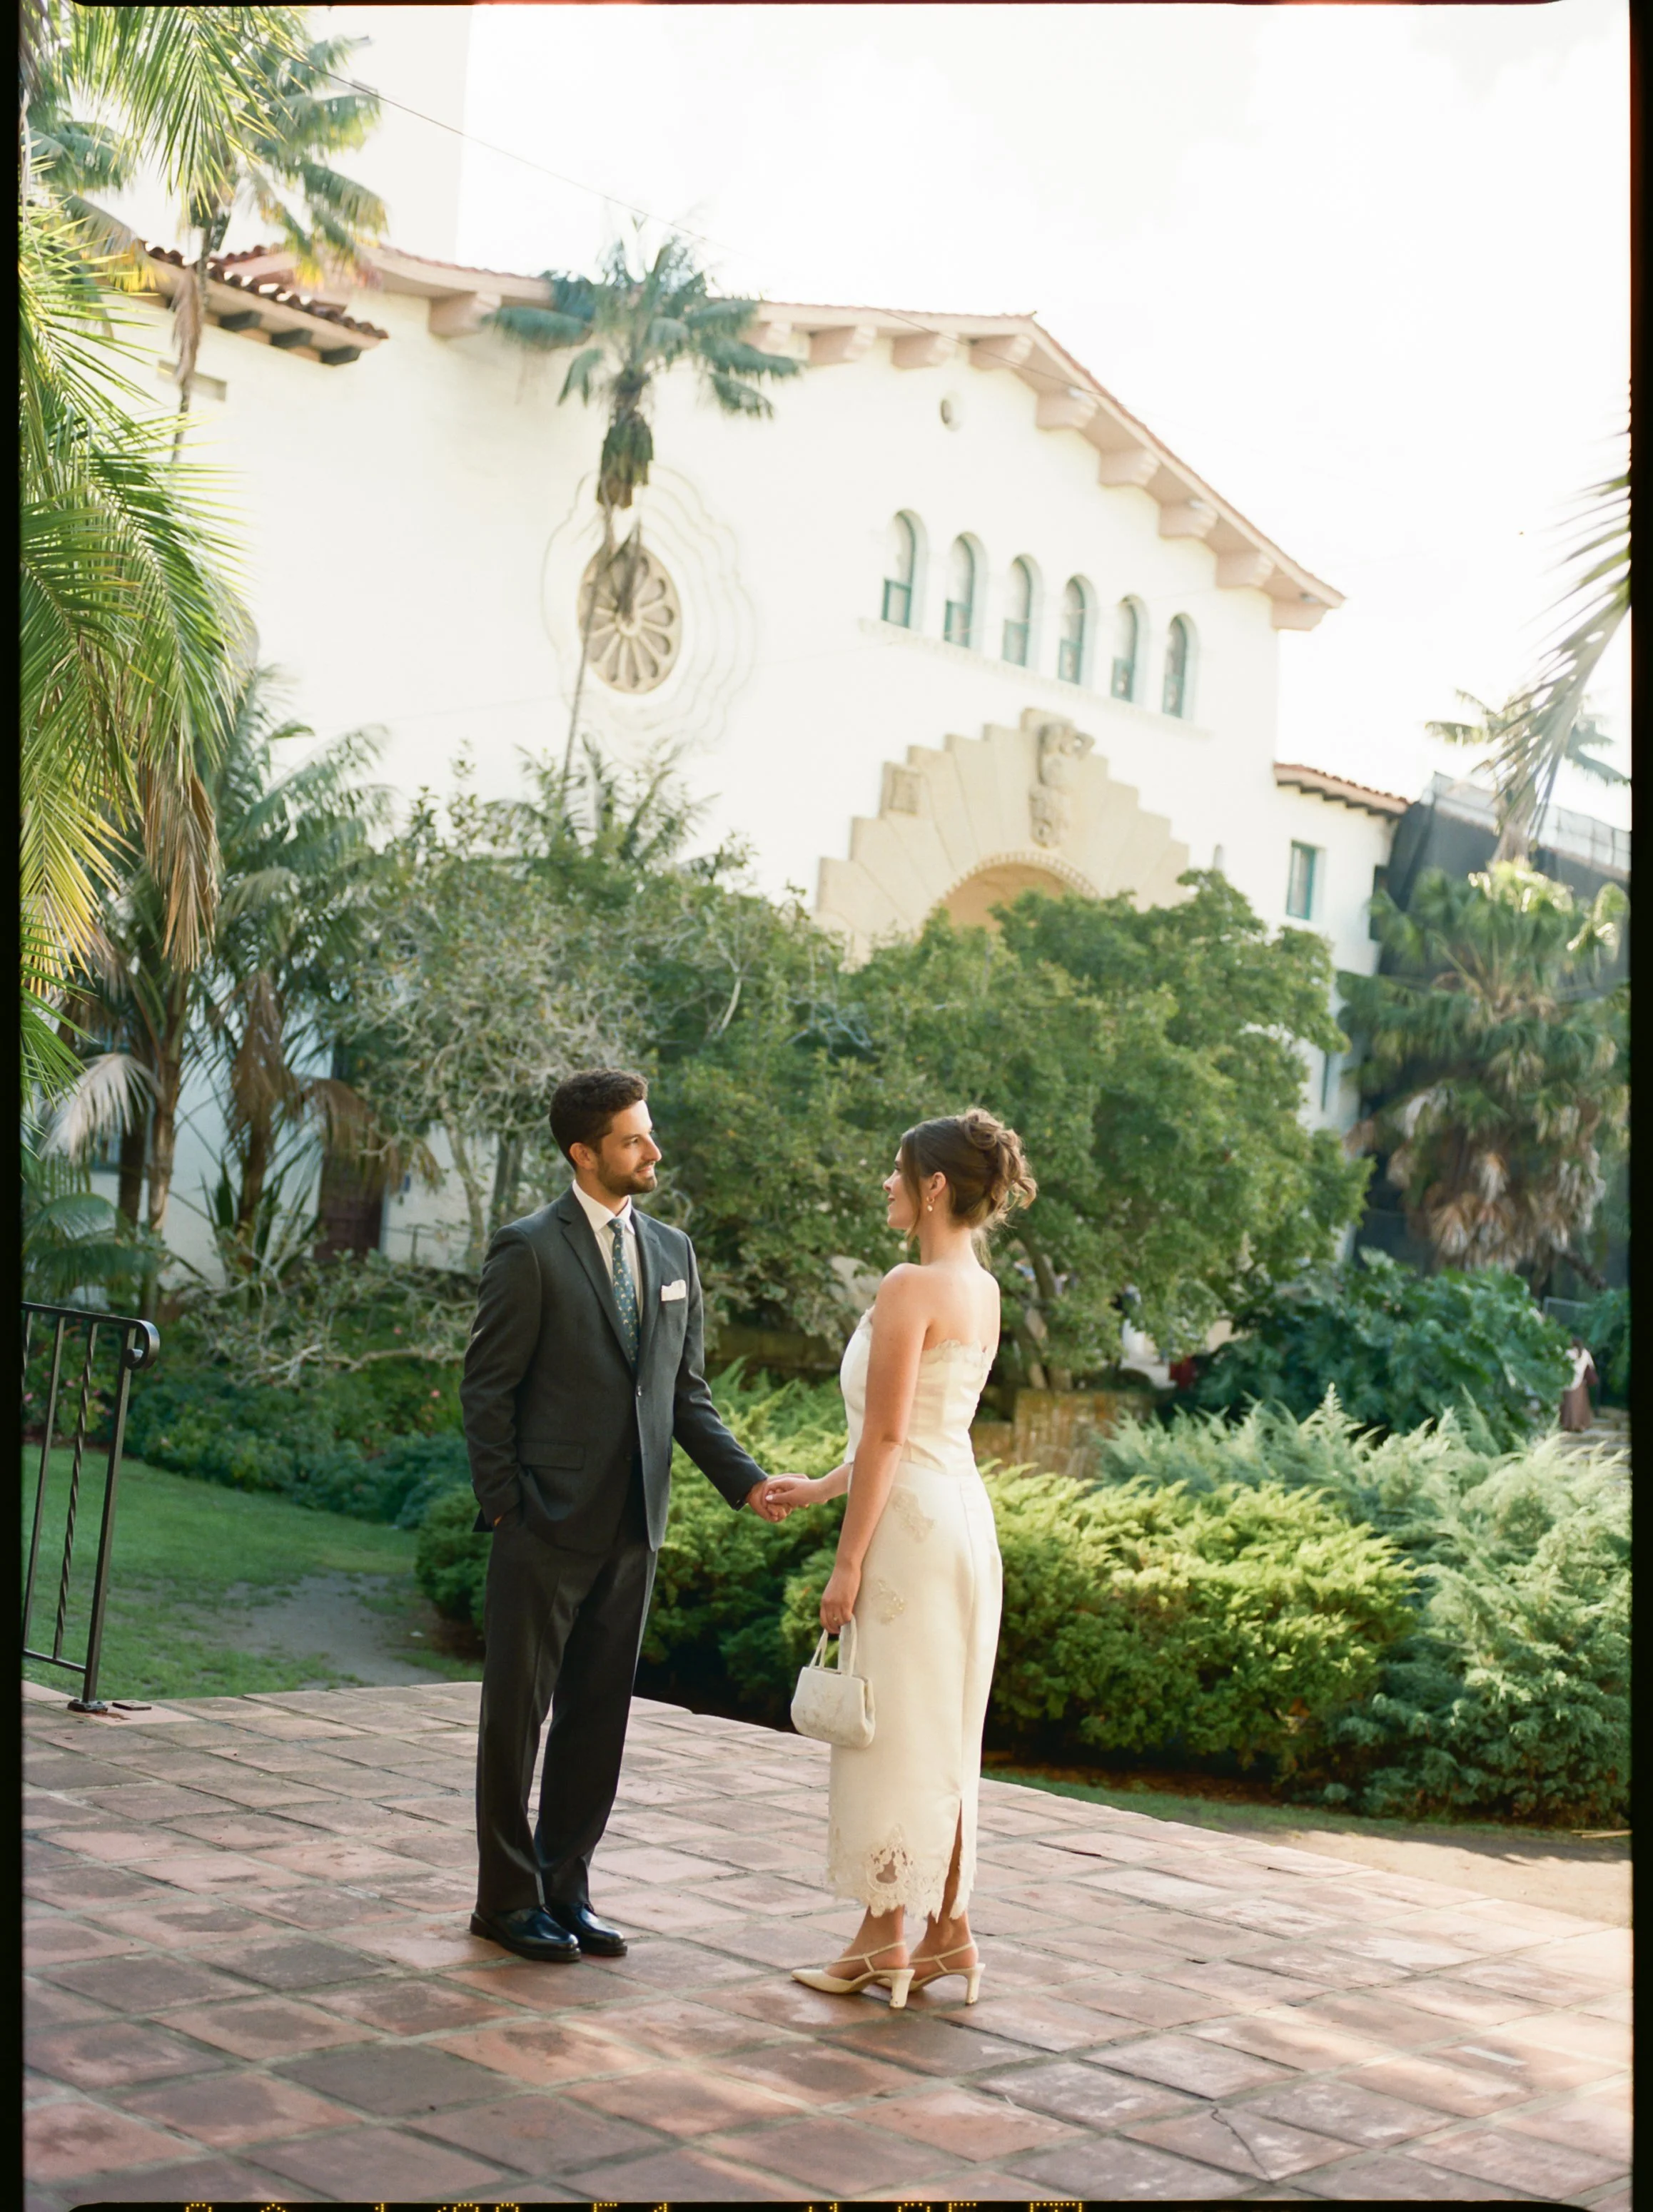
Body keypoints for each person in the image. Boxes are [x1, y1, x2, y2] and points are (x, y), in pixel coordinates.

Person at [461, 1068, 790, 1964]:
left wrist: (747, 1483)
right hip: (542, 1526)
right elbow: (486, 1390)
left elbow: (686, 1395)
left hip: (634, 1525)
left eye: (649, 1132)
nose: (654, 1150)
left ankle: (565, 1887)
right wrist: (506, 1508)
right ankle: (505, 1900)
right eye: (634, 1138)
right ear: (584, 1152)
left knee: (598, 1717)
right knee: (515, 1721)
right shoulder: (529, 1249)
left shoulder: (673, 1252)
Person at [763, 1107, 1036, 2008]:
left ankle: (885, 1937)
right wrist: (820, 1487)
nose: (886, 1183)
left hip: (910, 1538)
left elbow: (887, 1437)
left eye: (897, 1169)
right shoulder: (982, 1289)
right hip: (963, 1524)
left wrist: (845, 1566)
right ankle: (948, 1932)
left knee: (891, 1731)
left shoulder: (909, 1284)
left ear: (935, 1185)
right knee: (945, 1734)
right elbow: (915, 1433)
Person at [1560, 1336, 1599, 1434]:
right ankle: (1581, 1425)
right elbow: (1591, 1366)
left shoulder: (1567, 1353)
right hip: (1580, 1382)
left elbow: (1561, 1366)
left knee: (1568, 1403)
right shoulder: (1585, 1353)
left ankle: (1568, 1424)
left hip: (1567, 1381)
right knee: (1580, 1404)